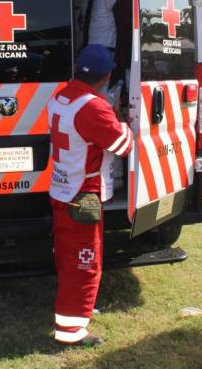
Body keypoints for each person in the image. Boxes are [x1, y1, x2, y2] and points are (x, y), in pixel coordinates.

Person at [47, 44, 133, 346]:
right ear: (106, 75)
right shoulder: (93, 107)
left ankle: (71, 314)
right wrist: (123, 120)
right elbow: (122, 145)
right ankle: (71, 330)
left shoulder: (60, 95)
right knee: (85, 263)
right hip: (82, 195)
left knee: (67, 258)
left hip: (61, 190)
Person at [76, 0, 131, 83]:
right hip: (87, 55)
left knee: (103, 93)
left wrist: (123, 61)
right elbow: (81, 25)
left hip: (106, 55)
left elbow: (125, 28)